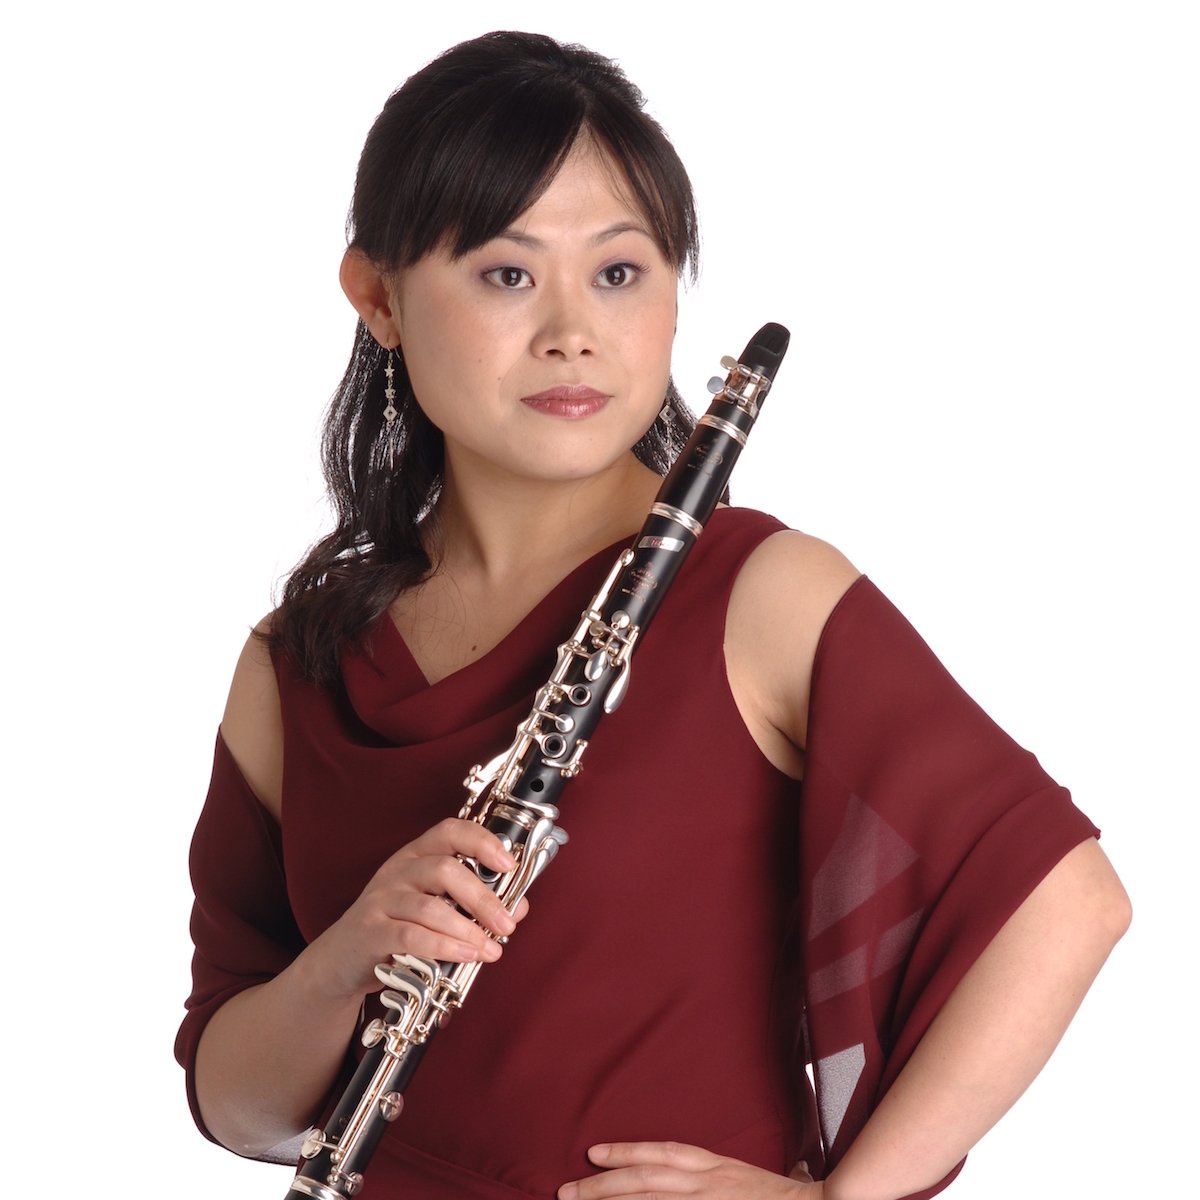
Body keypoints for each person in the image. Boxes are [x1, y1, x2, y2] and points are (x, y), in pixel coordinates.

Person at [176, 30, 1130, 1200]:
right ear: (378, 297)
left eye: (620, 273)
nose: (573, 331)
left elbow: (1069, 903)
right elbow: (235, 1105)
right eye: (507, 273)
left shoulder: (763, 595)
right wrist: (351, 956)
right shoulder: (299, 663)